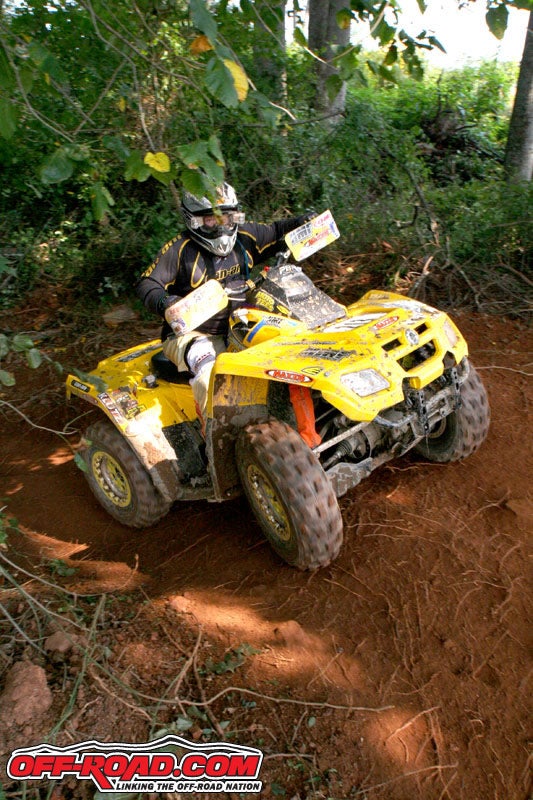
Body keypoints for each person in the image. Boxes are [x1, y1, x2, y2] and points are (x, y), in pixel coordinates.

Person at [136, 181, 310, 426]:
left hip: (242, 324)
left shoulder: (246, 236)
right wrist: (168, 302)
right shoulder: (179, 250)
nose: (221, 226)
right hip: (193, 335)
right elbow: (147, 283)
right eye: (211, 220)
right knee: (210, 377)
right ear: (194, 220)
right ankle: (216, 444)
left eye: (226, 218)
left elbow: (275, 229)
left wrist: (302, 222)